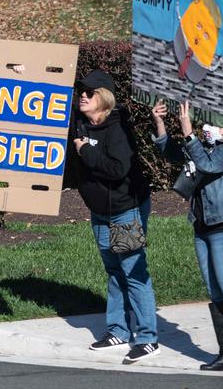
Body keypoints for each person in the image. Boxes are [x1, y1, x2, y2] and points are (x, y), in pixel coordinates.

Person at [152, 99, 223, 373]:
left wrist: (189, 132)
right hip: (202, 225)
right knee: (216, 292)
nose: (207, 126)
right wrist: (160, 124)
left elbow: (206, 165)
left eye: (214, 121)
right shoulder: (204, 148)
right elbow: (172, 153)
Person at [71, 69, 159, 362]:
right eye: (81, 91)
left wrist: (85, 153)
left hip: (126, 210)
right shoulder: (80, 123)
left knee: (133, 272)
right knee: (113, 271)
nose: (82, 96)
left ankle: (147, 337)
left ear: (104, 98)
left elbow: (118, 169)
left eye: (89, 92)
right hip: (99, 212)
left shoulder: (118, 130)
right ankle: (118, 331)